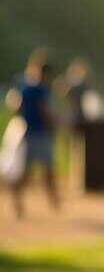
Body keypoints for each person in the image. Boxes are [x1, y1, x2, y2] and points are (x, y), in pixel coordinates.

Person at [11, 50, 61, 219]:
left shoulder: (25, 87)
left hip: (28, 132)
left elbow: (16, 107)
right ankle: (55, 201)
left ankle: (19, 198)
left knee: (28, 171)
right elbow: (45, 110)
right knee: (47, 169)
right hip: (40, 133)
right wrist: (54, 125)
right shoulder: (41, 90)